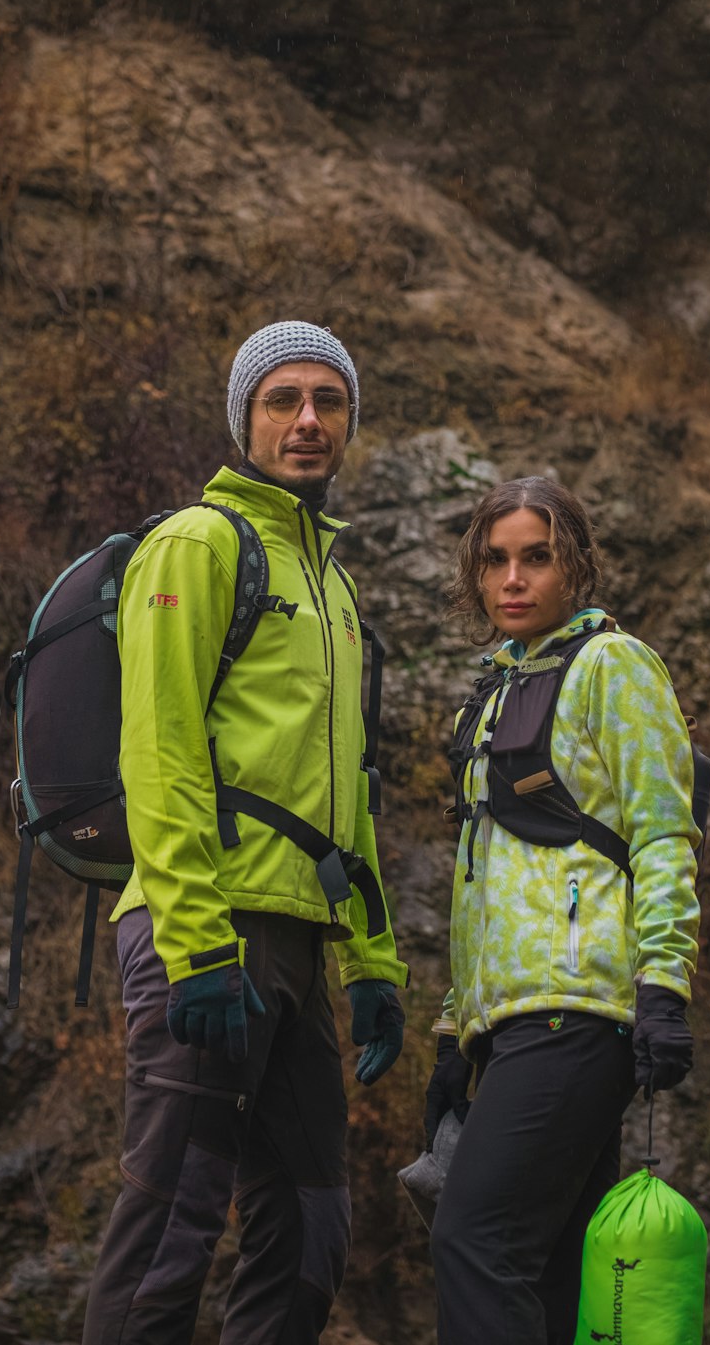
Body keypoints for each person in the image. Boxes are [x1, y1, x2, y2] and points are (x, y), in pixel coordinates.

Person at [81, 321, 410, 1345]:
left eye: (328, 400)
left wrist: (374, 960)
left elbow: (348, 797)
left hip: (303, 947)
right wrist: (194, 947)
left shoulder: (339, 590)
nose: (308, 420)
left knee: (310, 1233)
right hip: (207, 930)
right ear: (245, 418)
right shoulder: (197, 542)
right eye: (283, 399)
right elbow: (162, 754)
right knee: (169, 1229)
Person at [425, 476, 701, 1345]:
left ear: (574, 567)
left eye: (536, 557)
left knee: (474, 1239)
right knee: (544, 1271)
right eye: (495, 560)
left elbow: (663, 835)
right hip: (509, 1022)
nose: (514, 578)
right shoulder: (493, 690)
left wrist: (665, 984)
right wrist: (450, 1030)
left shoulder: (613, 666)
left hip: (578, 1012)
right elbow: (483, 881)